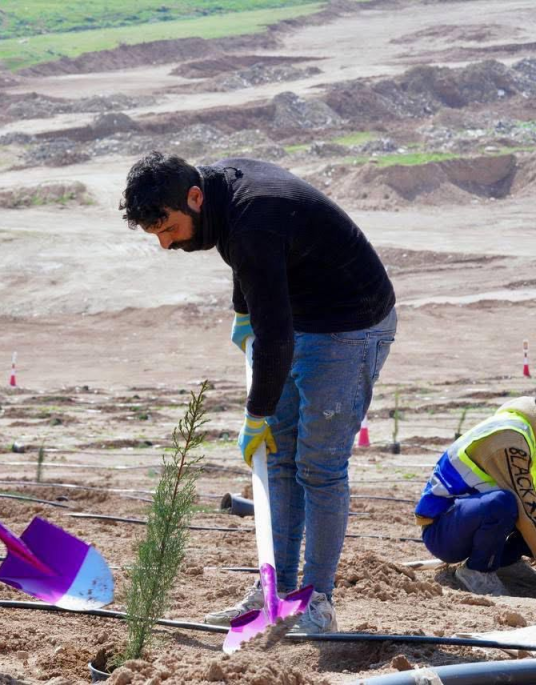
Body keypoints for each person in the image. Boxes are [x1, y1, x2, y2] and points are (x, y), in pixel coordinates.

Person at [120, 151, 397, 633]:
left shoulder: (253, 217)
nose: (165, 243)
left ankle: (316, 601)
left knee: (319, 466)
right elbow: (249, 262)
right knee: (280, 460)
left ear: (194, 198)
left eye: (168, 229)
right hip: (300, 315)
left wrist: (256, 415)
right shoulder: (219, 194)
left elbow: (273, 331)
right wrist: (242, 309)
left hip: (351, 324)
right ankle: (275, 592)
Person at [417, 374, 536, 599]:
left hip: (479, 515)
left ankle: (506, 562)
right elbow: (528, 510)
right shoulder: (508, 439)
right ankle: (477, 571)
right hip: (444, 529)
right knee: (504, 503)